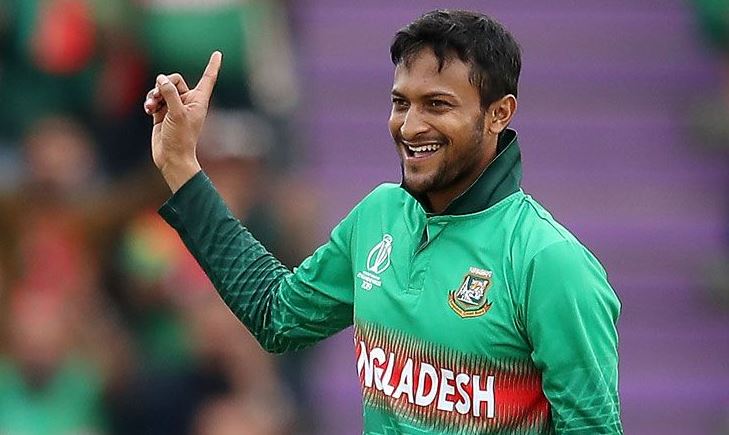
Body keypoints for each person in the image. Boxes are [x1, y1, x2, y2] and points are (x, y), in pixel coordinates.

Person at [143, 9, 623, 434]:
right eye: (401, 103)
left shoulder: (550, 262)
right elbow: (276, 315)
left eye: (437, 104)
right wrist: (181, 166)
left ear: (499, 114)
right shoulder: (379, 215)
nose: (410, 126)